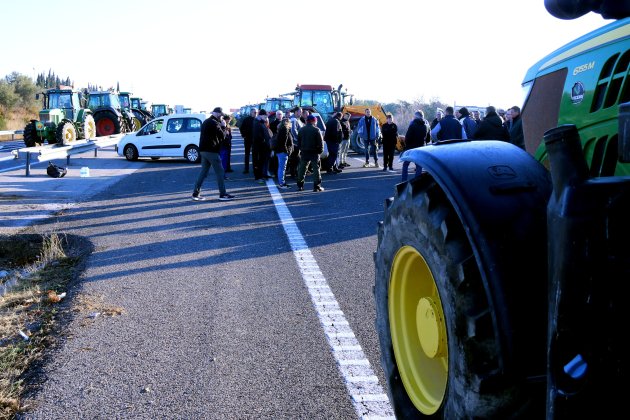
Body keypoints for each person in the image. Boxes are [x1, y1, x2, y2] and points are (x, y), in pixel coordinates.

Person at [191, 107, 235, 201]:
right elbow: (222, 136)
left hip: (203, 150)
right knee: (220, 172)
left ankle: (195, 194)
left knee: (203, 172)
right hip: (211, 151)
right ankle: (222, 195)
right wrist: (223, 126)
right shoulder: (214, 123)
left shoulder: (206, 121)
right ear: (217, 113)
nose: (221, 117)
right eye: (221, 115)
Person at [296, 114, 325, 192]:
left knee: (302, 169)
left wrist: (301, 149)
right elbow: (320, 143)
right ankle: (317, 187)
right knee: (316, 170)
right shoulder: (316, 130)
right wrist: (320, 151)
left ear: (307, 121)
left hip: (304, 152)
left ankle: (300, 186)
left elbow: (298, 142)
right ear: (313, 121)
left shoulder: (301, 130)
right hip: (314, 152)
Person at [401, 110, 429, 181]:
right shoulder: (425, 126)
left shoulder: (412, 125)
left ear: (416, 117)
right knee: (419, 166)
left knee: (405, 164)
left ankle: (404, 181)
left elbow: (407, 137)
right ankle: (417, 182)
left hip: (411, 148)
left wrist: (407, 145)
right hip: (420, 147)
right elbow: (428, 138)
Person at [273, 114, 294, 189]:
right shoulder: (285, 129)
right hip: (282, 151)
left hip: (280, 151)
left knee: (281, 167)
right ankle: (281, 183)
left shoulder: (281, 129)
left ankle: (282, 182)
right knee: (282, 168)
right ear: (288, 123)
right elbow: (283, 142)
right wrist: (287, 151)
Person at [252, 109, 273, 184]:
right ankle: (258, 177)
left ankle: (262, 175)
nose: (266, 117)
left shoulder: (261, 122)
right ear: (261, 115)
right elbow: (257, 136)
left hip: (262, 147)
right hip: (258, 147)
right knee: (257, 162)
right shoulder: (257, 123)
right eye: (265, 116)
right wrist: (264, 141)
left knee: (261, 162)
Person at [288, 107, 304, 179]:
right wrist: (298, 140)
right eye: (300, 111)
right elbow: (293, 131)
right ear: (296, 112)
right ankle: (293, 173)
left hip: (296, 143)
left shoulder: (297, 119)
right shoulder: (293, 119)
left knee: (296, 159)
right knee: (296, 158)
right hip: (295, 143)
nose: (301, 113)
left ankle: (294, 172)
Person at [240, 108, 257, 174]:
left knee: (255, 155)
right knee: (247, 154)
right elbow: (241, 128)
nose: (255, 113)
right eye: (254, 112)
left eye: (256, 112)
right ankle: (246, 169)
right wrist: (244, 135)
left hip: (255, 140)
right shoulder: (246, 119)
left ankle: (255, 168)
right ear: (251, 113)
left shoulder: (257, 120)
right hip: (247, 139)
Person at [219, 114, 233, 179]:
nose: (229, 121)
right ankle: (222, 175)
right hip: (223, 145)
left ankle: (225, 171)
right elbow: (223, 136)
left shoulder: (227, 126)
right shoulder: (222, 126)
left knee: (225, 159)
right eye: (229, 120)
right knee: (223, 160)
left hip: (226, 145)